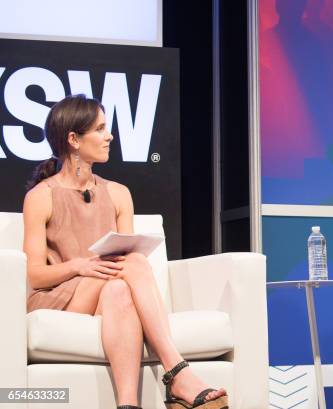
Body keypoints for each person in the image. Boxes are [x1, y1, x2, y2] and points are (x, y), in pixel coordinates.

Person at [23, 94, 228, 409]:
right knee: (131, 264)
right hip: (65, 298)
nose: (110, 136)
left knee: (120, 286)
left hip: (109, 291)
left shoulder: (119, 193)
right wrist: (79, 266)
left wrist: (107, 266)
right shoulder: (41, 196)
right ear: (74, 139)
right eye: (101, 129)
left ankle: (128, 404)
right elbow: (35, 274)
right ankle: (177, 371)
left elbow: (125, 260)